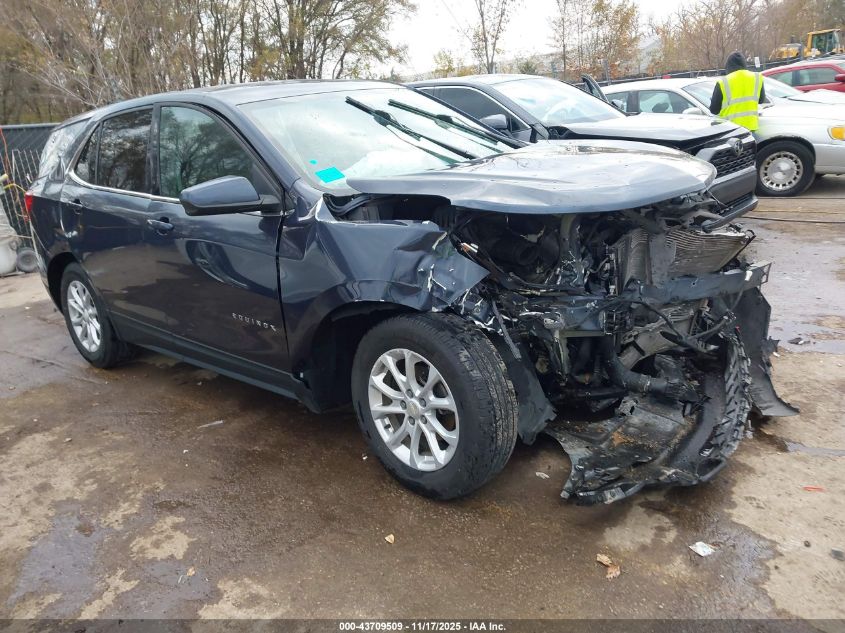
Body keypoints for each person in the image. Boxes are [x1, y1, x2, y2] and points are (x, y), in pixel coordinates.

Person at [709, 52, 766, 131]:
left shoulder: (723, 82)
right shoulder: (757, 77)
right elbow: (761, 100)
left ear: (728, 66)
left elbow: (714, 110)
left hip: (731, 129)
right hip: (751, 127)